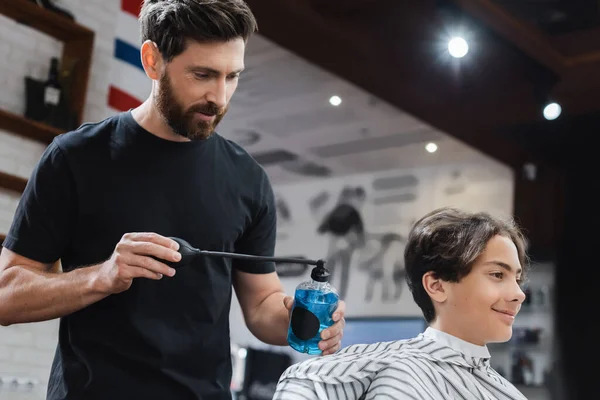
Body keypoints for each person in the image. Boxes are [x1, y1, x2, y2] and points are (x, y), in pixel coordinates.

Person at [0, 1, 346, 399]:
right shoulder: (75, 158)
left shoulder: (248, 179)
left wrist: (296, 320)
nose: (219, 96)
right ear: (152, 60)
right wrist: (103, 276)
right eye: (203, 75)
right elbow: (7, 295)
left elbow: (261, 304)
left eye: (232, 76)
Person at [274, 207, 529, 400]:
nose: (519, 294)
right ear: (437, 285)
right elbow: (301, 380)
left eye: (517, 279)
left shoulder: (507, 391)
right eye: (497, 275)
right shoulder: (404, 375)